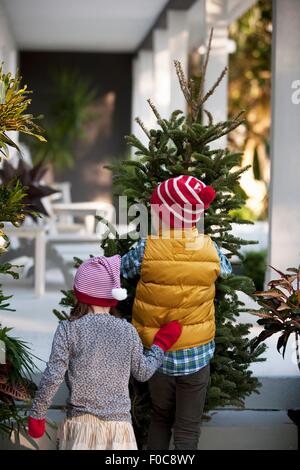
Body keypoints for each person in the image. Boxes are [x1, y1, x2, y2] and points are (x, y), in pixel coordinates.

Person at [121, 175, 232, 450]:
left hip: (157, 355)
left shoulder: (146, 247)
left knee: (160, 418)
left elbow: (122, 269)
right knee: (187, 428)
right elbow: (226, 270)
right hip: (196, 354)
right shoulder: (209, 247)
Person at [27, 255, 181, 450]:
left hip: (81, 428)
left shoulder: (69, 329)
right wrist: (161, 343)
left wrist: (37, 413)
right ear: (113, 295)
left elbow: (53, 376)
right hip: (119, 432)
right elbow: (143, 372)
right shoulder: (127, 330)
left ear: (80, 293)